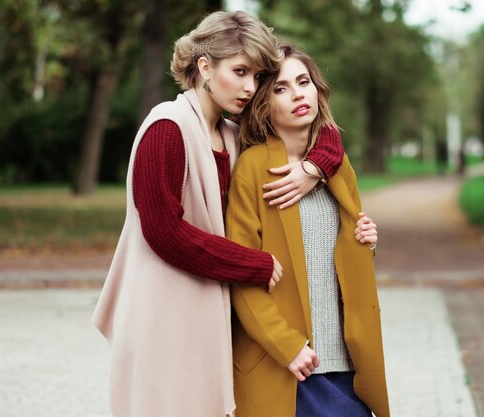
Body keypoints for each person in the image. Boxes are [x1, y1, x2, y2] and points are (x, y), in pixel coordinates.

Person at [92, 11, 344, 417]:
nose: (250, 87)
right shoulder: (167, 128)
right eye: (240, 71)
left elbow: (318, 126)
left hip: (210, 316)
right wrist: (252, 263)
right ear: (205, 67)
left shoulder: (234, 132)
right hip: (163, 315)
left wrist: (315, 168)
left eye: (258, 77)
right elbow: (163, 232)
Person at [226, 44, 390, 417]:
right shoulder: (253, 168)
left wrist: (366, 240)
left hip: (348, 362)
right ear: (265, 104)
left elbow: (340, 244)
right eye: (281, 88)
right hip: (291, 365)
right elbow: (242, 272)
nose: (298, 93)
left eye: (304, 81)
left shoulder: (337, 164)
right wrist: (288, 346)